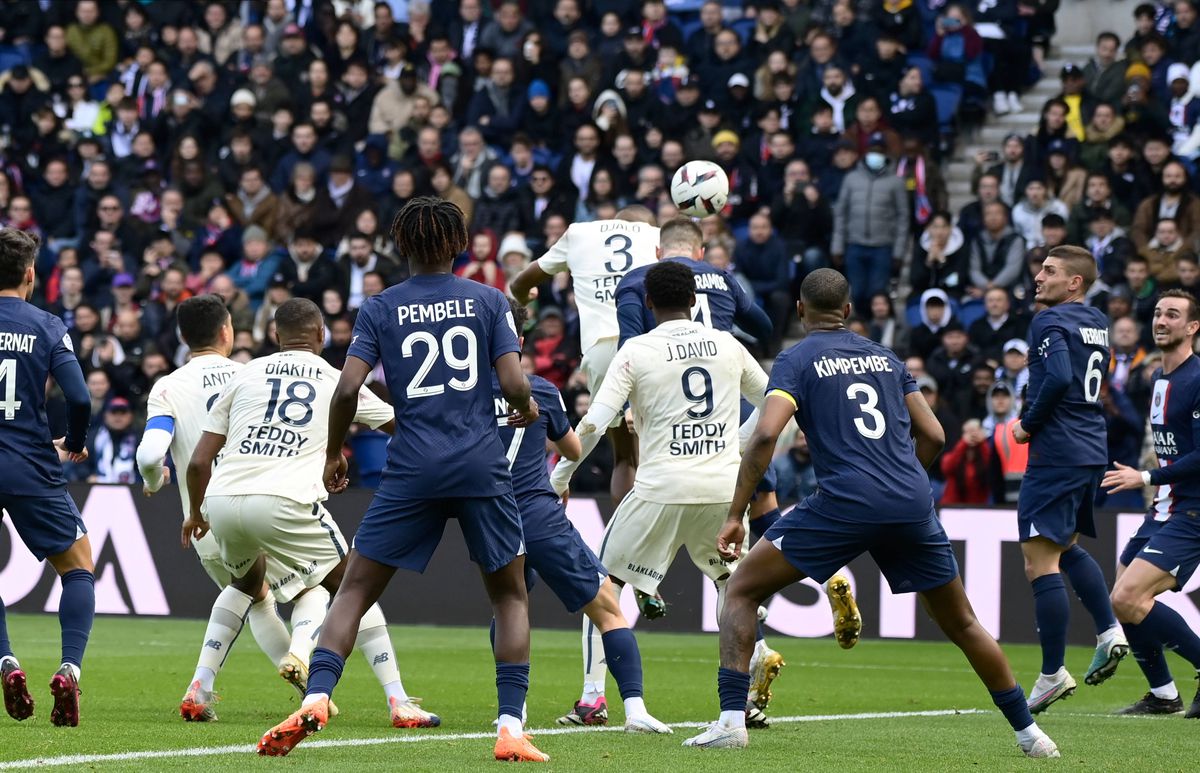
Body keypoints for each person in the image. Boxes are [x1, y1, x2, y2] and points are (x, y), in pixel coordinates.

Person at [682, 269, 1059, 758]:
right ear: (848, 310)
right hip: (909, 501)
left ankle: (732, 721)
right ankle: (1032, 737)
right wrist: (903, 482)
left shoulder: (796, 359)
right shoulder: (886, 357)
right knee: (963, 622)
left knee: (741, 589)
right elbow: (936, 435)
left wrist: (735, 514)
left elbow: (765, 436)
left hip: (844, 502)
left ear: (800, 311)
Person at [255, 199, 544, 762]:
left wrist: (336, 452)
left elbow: (345, 391)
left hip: (411, 464)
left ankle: (317, 697)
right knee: (509, 595)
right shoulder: (488, 300)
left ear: (401, 246)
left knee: (356, 588)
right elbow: (512, 383)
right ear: (458, 243)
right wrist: (527, 408)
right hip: (481, 463)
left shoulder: (381, 306)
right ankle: (510, 726)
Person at [183, 298, 438, 730]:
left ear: (275, 336)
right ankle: (398, 700)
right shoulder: (337, 380)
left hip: (223, 501)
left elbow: (197, 462)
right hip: (285, 502)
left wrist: (196, 513)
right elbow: (402, 426)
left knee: (247, 584)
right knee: (354, 586)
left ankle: (199, 688)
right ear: (321, 334)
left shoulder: (245, 372)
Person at [574, 260, 775, 732]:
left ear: (647, 303)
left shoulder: (637, 350)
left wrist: (561, 476)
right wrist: (740, 442)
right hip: (722, 491)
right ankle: (743, 697)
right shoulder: (728, 343)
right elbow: (775, 401)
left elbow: (595, 421)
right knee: (734, 589)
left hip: (661, 487)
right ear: (694, 301)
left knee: (604, 587)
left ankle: (592, 699)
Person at [494, 299, 669, 735]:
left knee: (509, 606)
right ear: (517, 342)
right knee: (608, 607)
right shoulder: (541, 390)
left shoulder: (464, 396)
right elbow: (572, 450)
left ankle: (513, 712)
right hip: (536, 511)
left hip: (490, 516)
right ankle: (635, 710)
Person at [134, 295, 297, 719]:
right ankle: (324, 683)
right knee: (309, 588)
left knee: (255, 595)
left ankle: (204, 687)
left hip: (204, 519)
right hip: (258, 506)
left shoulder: (168, 385)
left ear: (182, 336)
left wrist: (155, 482)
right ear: (227, 331)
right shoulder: (251, 376)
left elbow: (151, 454)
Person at [1010, 245, 1129, 713]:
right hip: (1090, 448)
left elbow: (1058, 376)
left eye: (1050, 270)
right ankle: (1109, 629)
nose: (1039, 276)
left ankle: (1052, 672)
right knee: (1065, 546)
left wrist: (1027, 424)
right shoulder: (1095, 320)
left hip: (1056, 451)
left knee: (1038, 561)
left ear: (1074, 282)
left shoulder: (1048, 321)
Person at [0, 229, 93, 728]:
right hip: (31, 463)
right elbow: (79, 397)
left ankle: (6, 663)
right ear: (31, 273)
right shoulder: (46, 324)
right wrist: (74, 441)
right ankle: (69, 670)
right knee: (77, 566)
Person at [510, 207, 659, 504]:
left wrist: (526, 296)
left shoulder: (579, 233)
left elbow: (520, 283)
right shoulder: (657, 237)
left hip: (604, 349)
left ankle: (624, 543)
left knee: (625, 457)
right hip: (655, 345)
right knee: (657, 453)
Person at [1102, 290, 1200, 718]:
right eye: (1158, 313)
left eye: (1173, 315)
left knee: (1126, 597)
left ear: (1192, 327)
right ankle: (1163, 695)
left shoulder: (1198, 379)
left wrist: (1145, 477)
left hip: (1192, 512)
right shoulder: (1159, 378)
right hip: (1163, 508)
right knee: (1121, 597)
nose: (1162, 320)